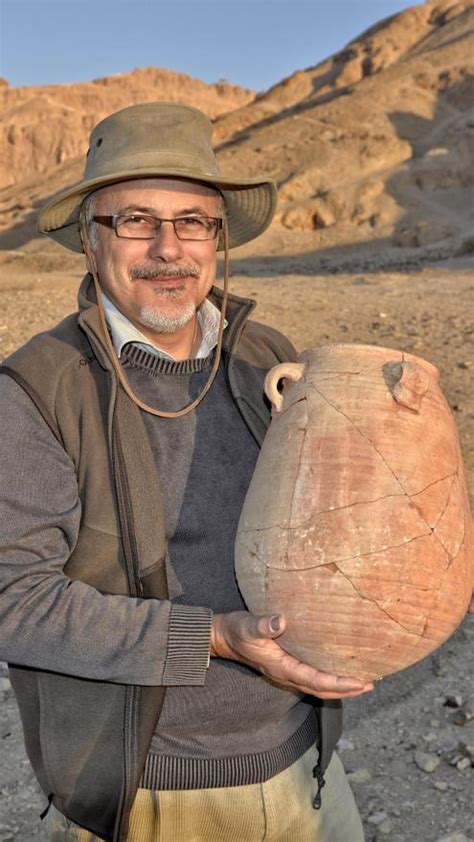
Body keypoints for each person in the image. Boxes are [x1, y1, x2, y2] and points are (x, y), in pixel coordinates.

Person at [0, 102, 374, 842]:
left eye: (193, 221)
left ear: (218, 236)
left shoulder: (265, 354)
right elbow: (14, 602)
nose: (168, 249)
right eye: (135, 220)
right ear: (89, 237)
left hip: (305, 767)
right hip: (148, 793)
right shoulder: (37, 390)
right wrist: (217, 638)